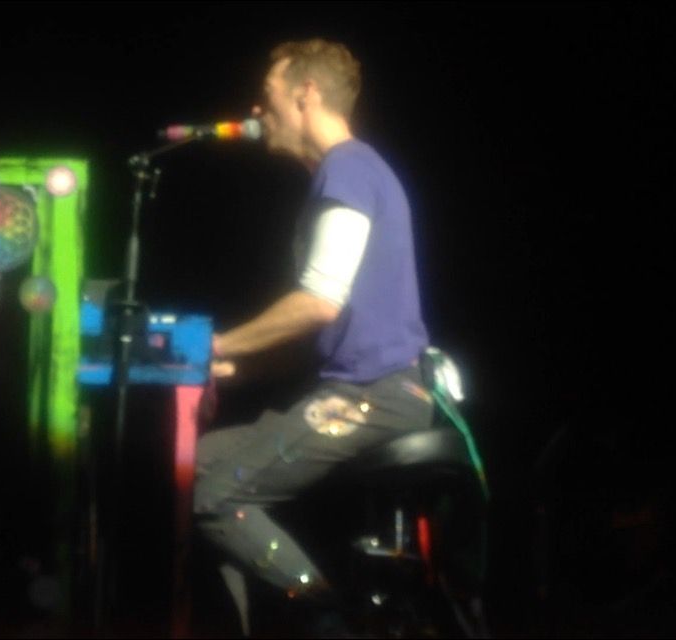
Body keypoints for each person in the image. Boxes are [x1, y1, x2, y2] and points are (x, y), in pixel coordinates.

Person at [193, 38, 435, 632]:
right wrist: (239, 367)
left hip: (376, 394)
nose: (257, 109)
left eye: (267, 94)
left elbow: (319, 303)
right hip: (359, 388)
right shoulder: (349, 172)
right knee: (192, 468)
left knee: (215, 498)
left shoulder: (347, 168)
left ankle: (333, 623)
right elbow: (328, 331)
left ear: (305, 95)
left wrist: (215, 344)